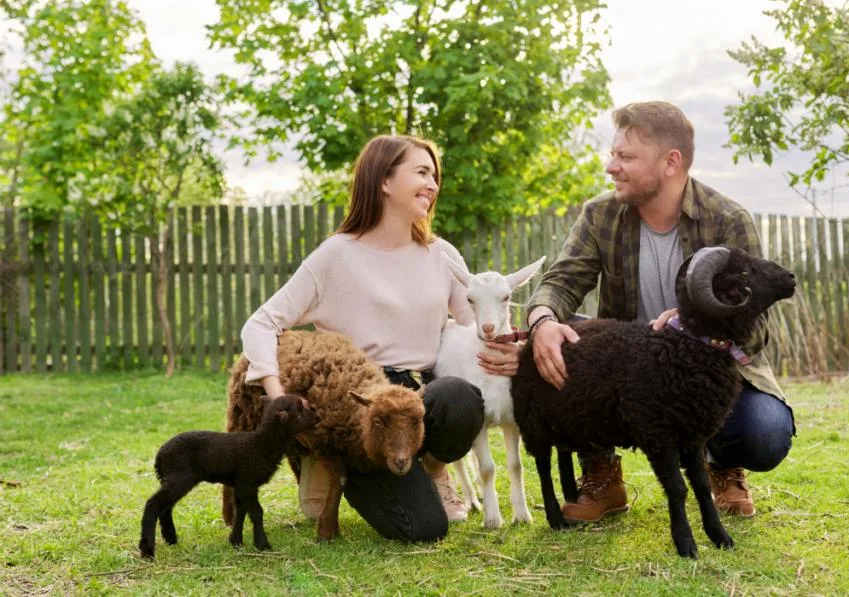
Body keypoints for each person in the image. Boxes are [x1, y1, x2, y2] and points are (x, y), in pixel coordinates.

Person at [524, 101, 795, 523]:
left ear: (671, 162)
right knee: (564, 337)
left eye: (625, 157)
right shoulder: (600, 215)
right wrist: (541, 321)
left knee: (764, 432)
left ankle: (721, 466)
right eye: (613, 154)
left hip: (703, 369)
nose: (611, 167)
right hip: (626, 366)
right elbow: (561, 281)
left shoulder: (727, 220)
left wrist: (698, 325)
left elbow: (757, 327)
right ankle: (601, 471)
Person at [240, 134, 499, 542]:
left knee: (459, 396)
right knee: (424, 527)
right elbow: (260, 323)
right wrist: (278, 397)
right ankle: (328, 464)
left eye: (435, 175)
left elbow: (471, 331)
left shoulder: (441, 254)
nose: (433, 184)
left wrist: (507, 344)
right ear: (384, 181)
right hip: (360, 411)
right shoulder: (335, 256)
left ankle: (432, 469)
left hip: (420, 399)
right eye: (421, 172)